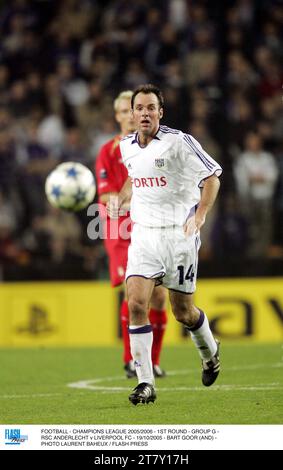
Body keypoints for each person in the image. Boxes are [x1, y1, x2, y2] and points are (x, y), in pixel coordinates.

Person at [107, 84, 222, 405]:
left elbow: (212, 177)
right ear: (132, 114)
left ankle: (210, 354)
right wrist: (122, 199)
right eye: (139, 108)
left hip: (178, 235)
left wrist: (200, 214)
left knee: (183, 312)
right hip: (144, 234)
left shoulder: (179, 142)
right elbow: (134, 177)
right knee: (136, 303)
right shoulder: (126, 146)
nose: (144, 113)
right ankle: (145, 382)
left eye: (150, 108)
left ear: (160, 112)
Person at [95, 90, 168, 379]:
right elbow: (106, 196)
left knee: (160, 297)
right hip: (122, 229)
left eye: (134, 111)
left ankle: (154, 361)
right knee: (135, 293)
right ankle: (132, 361)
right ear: (118, 117)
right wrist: (121, 196)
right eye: (124, 112)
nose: (131, 117)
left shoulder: (159, 147)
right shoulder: (109, 151)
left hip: (152, 225)